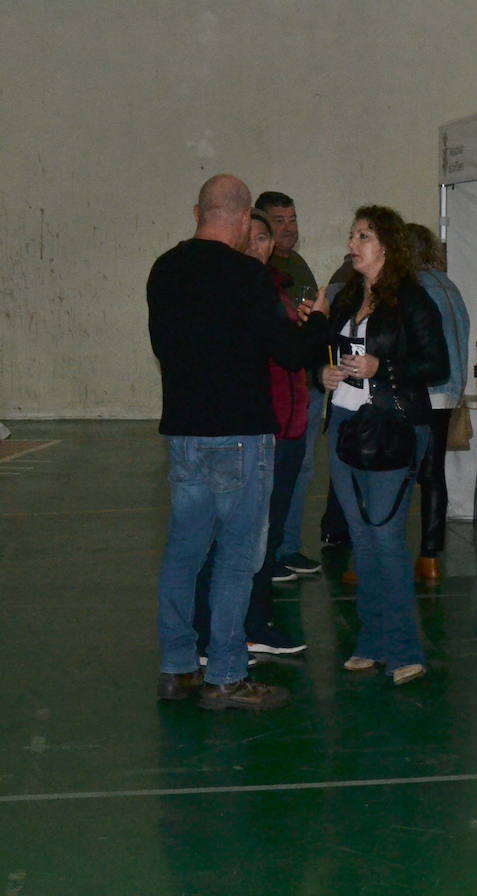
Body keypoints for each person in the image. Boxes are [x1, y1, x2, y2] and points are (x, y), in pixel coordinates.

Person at [147, 174, 329, 710]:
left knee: (184, 553)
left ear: (197, 210)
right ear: (246, 214)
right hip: (241, 436)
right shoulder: (249, 277)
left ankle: (177, 666)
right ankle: (225, 673)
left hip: (183, 432)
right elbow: (293, 355)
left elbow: (166, 344)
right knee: (235, 557)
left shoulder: (165, 269)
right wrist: (317, 321)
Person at [320, 205, 449, 686]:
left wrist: (384, 370)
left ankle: (405, 649)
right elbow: (331, 350)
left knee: (386, 536)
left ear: (387, 247)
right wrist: (326, 373)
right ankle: (372, 640)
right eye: (353, 234)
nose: (353, 244)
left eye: (364, 236)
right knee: (363, 537)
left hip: (392, 426)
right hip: (345, 423)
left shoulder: (413, 300)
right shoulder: (350, 294)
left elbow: (436, 364)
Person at [257, 190, 327, 579]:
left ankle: (286, 545)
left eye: (293, 219)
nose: (289, 228)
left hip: (306, 381)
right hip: (278, 384)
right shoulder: (260, 271)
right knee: (275, 469)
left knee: (302, 467)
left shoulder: (297, 264)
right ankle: (269, 552)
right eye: (279, 221)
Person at [406, 223, 471, 582]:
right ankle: (430, 554)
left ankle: (409, 553)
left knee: (406, 471)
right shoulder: (449, 285)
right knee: (434, 473)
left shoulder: (413, 289)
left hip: (424, 389)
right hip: (449, 389)